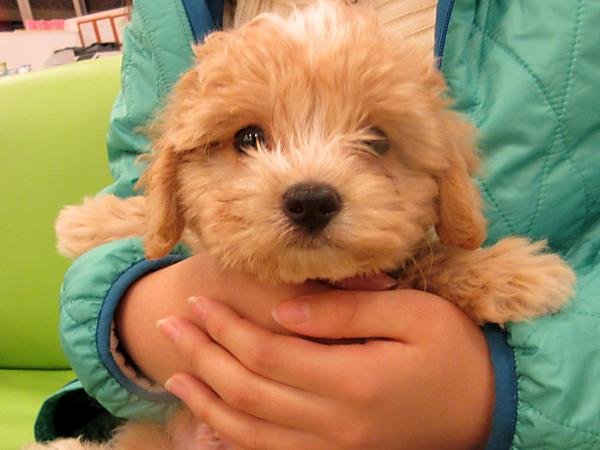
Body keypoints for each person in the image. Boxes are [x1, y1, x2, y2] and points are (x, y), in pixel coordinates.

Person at [34, 0, 600, 449]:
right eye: (249, 139)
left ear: (447, 177)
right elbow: (111, 241)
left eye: (373, 142)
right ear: (170, 173)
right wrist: (133, 306)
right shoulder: (165, 19)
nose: (310, 187)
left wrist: (497, 387)